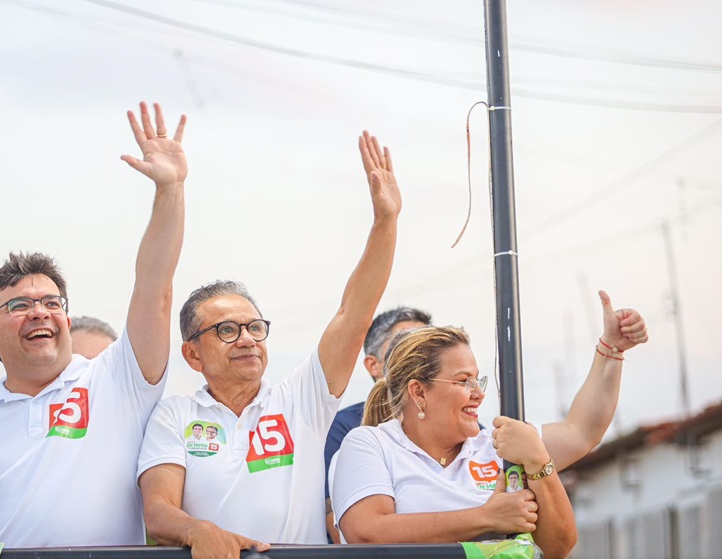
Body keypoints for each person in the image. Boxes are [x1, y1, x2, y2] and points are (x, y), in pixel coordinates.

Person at [0, 102, 188, 548]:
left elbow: (155, 287)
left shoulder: (117, 383)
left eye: (51, 302)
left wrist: (170, 190)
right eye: (19, 305)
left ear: (66, 319)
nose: (39, 312)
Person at [137, 130, 402, 557]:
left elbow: (354, 314)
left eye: (255, 327)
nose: (246, 339)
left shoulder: (302, 401)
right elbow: (158, 510)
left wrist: (385, 221)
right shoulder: (175, 415)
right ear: (192, 353)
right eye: (227, 330)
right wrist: (197, 531)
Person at [332, 292, 648, 559]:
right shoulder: (369, 443)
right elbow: (367, 532)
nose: (479, 393)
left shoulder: (499, 445)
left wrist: (611, 350)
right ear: (418, 392)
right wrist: (486, 517)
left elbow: (558, 545)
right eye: (463, 381)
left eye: (477, 379)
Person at [323, 306, 431, 543]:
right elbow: (340, 527)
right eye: (405, 346)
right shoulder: (342, 428)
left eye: (429, 348)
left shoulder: (470, 432)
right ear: (373, 365)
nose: (422, 358)